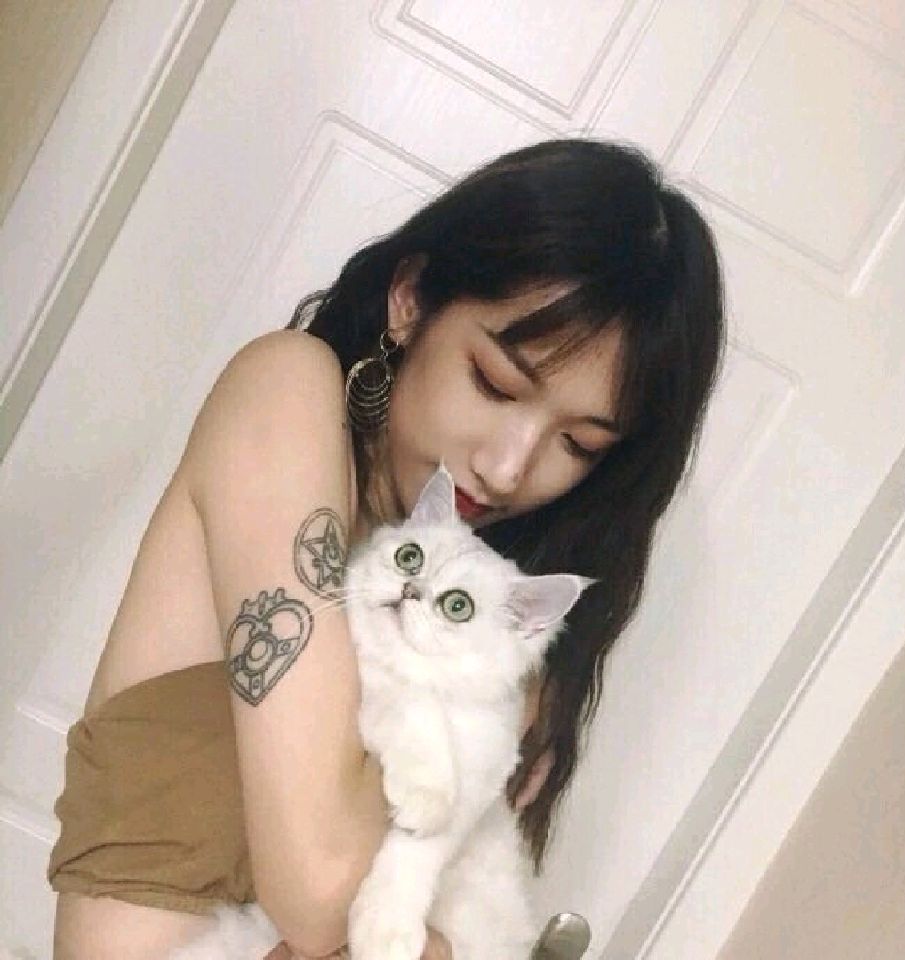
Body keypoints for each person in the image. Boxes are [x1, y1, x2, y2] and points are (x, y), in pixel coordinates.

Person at [46, 137, 726, 959]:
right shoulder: (287, 394)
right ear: (410, 300)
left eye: (577, 444)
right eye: (496, 384)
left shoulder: (494, 630)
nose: (508, 468)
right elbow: (322, 892)